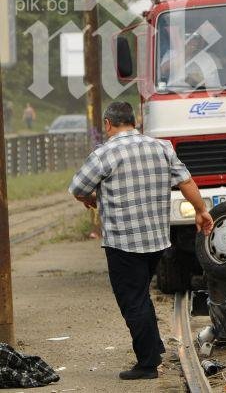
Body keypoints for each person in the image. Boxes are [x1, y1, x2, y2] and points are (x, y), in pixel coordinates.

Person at [68, 102, 213, 380]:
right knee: (140, 294)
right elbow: (186, 181)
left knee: (132, 300)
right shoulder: (162, 147)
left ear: (108, 124)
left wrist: (89, 199)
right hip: (156, 241)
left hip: (123, 242)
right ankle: (154, 347)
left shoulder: (104, 154)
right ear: (134, 122)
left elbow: (78, 188)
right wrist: (201, 211)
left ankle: (147, 364)